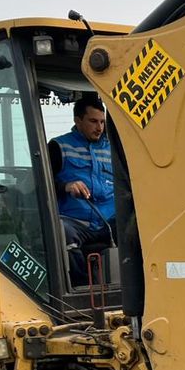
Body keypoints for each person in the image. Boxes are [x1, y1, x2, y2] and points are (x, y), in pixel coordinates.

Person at [49, 93, 115, 285]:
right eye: (93, 121)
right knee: (62, 231)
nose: (99, 127)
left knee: (136, 229)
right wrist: (66, 186)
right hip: (76, 221)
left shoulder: (114, 149)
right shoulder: (59, 147)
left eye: (102, 122)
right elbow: (41, 185)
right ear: (78, 121)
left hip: (109, 221)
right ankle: (83, 288)